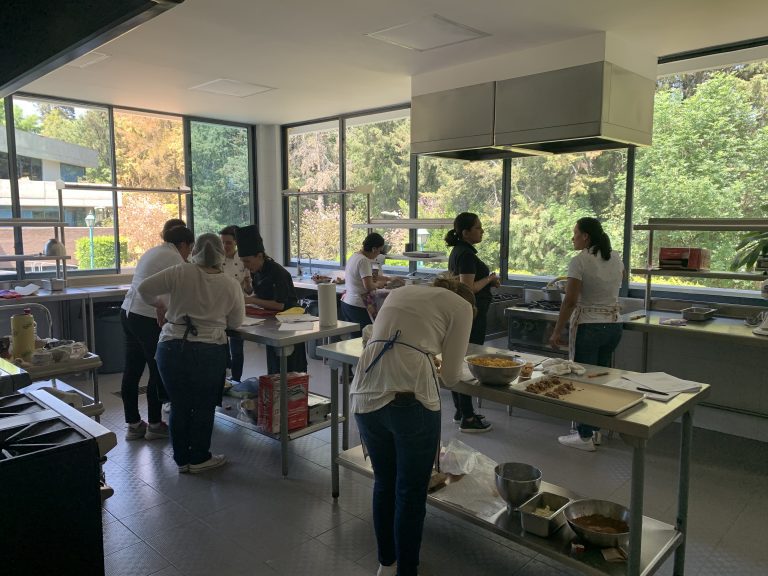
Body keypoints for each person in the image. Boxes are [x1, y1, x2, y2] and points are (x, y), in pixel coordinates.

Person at [351, 276, 475, 576]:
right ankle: (408, 570)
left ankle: (387, 564)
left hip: (365, 394)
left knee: (385, 480)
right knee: (410, 490)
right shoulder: (462, 306)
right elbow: (450, 377)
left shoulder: (402, 292)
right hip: (410, 398)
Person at [138, 233, 245, 473]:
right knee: (204, 406)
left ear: (195, 250)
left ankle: (182, 460)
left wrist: (160, 305)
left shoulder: (180, 271)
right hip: (209, 350)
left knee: (179, 404)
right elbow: (237, 323)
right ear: (221, 254)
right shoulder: (230, 283)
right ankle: (199, 458)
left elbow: (144, 288)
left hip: (171, 346)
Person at [549, 217, 624, 452]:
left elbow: (570, 300)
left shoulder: (579, 261)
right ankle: (595, 431)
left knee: (583, 381)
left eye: (575, 233)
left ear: (586, 237)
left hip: (590, 327)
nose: (573, 238)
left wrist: (556, 331)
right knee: (600, 381)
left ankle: (583, 436)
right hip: (613, 326)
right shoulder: (616, 257)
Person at [119, 220, 193, 441]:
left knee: (132, 370)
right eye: (189, 248)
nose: (189, 253)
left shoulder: (154, 251)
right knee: (157, 369)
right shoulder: (173, 258)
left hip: (127, 313)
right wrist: (161, 306)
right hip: (145, 318)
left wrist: (162, 304)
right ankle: (154, 424)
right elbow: (178, 292)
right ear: (182, 244)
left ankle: (133, 425)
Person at [445, 212, 498, 433]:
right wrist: (490, 278)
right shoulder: (466, 254)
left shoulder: (459, 252)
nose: (482, 231)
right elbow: (468, 289)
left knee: (460, 359)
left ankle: (460, 410)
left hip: (467, 315)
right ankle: (467, 416)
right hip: (471, 317)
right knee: (467, 362)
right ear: (466, 232)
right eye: (478, 228)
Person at [235, 225, 308, 374]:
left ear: (260, 256)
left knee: (291, 368)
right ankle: (276, 394)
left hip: (290, 323)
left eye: (248, 261)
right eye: (243, 262)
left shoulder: (277, 272)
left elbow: (279, 305)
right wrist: (248, 295)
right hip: (273, 323)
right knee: (274, 366)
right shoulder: (257, 271)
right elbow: (261, 296)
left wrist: (251, 301)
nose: (246, 266)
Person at [340, 232, 390, 336]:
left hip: (347, 303)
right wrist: (379, 285)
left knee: (354, 340)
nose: (379, 254)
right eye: (379, 251)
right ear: (374, 249)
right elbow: (368, 286)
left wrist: (390, 279)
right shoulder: (364, 261)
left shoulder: (355, 256)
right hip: (358, 306)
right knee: (364, 339)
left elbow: (370, 276)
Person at [220, 225, 252, 382]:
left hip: (237, 307)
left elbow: (249, 290)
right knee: (221, 347)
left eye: (228, 243)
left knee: (237, 348)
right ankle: (222, 379)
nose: (225, 246)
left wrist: (247, 282)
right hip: (218, 308)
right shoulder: (217, 259)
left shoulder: (243, 260)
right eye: (222, 242)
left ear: (236, 243)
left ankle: (236, 380)